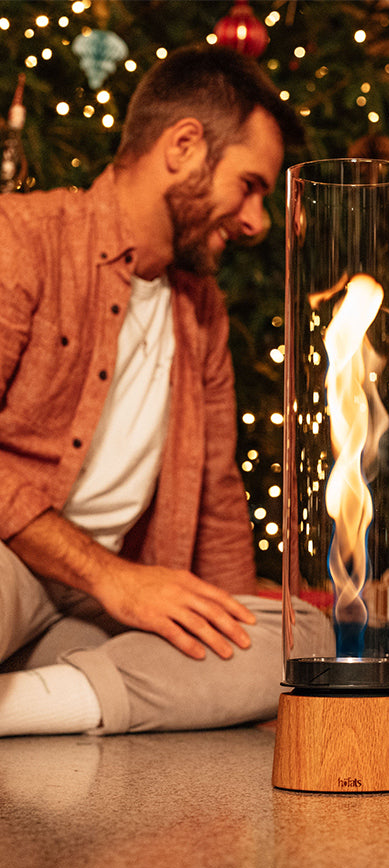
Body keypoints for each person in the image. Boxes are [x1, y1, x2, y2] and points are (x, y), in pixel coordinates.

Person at [0, 44, 332, 736]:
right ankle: (81, 692)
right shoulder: (22, 241)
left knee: (299, 635)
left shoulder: (201, 310)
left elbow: (216, 497)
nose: (257, 222)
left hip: (96, 611)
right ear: (183, 146)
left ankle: (28, 704)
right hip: (14, 560)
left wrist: (234, 636)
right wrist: (111, 576)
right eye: (249, 185)